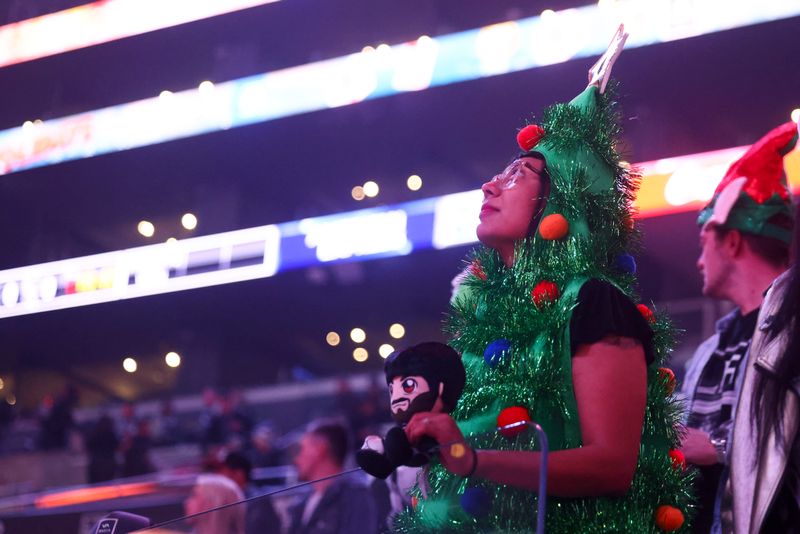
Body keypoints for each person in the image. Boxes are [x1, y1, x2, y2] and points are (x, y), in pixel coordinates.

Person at [394, 26, 692, 532]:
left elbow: (612, 466)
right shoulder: (485, 315)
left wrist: (472, 457)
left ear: (561, 203)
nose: (490, 183)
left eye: (517, 174)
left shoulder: (595, 304)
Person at [680, 121, 796, 532]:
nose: (698, 261)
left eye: (703, 245)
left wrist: (716, 448)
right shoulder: (711, 349)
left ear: (731, 242)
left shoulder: (794, 333)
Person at [287, 420, 376, 533]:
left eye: (302, 449)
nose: (296, 459)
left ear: (320, 449)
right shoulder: (302, 503)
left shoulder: (355, 495)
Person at [220, 451, 282, 534]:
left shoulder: (258, 501)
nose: (221, 482)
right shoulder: (229, 500)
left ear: (238, 474)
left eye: (224, 477)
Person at [86, 415, 119, 483]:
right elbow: (117, 447)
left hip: (95, 464)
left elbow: (88, 446)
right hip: (109, 464)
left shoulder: (93, 434)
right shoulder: (111, 434)